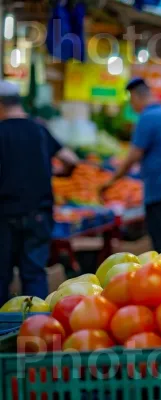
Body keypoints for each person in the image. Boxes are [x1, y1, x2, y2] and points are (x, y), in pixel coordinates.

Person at [0, 81, 78, 304]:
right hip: (38, 214)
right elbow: (71, 159)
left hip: (5, 215)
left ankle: (5, 333)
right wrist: (59, 173)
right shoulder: (39, 129)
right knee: (34, 274)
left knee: (1, 276)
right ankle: (37, 327)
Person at [101, 78, 161, 253]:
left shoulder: (147, 118)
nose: (132, 106)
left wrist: (111, 181)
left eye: (131, 101)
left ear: (136, 96)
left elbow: (134, 155)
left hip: (160, 192)